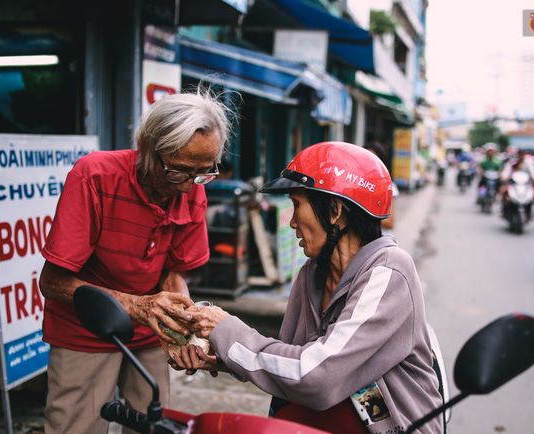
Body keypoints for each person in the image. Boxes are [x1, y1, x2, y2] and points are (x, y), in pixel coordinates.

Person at [170, 142, 443, 434]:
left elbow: (316, 377)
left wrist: (226, 329)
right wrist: (222, 357)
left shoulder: (388, 273)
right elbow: (292, 358)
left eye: (297, 205)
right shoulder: (311, 274)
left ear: (335, 211)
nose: (292, 222)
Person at [38, 89, 232, 433]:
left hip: (149, 329)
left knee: (156, 425)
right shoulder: (95, 176)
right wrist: (137, 306)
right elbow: (52, 283)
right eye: (180, 171)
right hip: (85, 328)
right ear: (147, 148)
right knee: (76, 427)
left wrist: (184, 330)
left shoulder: (193, 189)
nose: (189, 186)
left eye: (203, 172)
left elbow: (172, 275)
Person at [365, 140, 399, 235]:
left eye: (373, 160)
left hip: (381, 241)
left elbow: (390, 223)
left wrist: (361, 213)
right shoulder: (356, 184)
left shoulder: (389, 187)